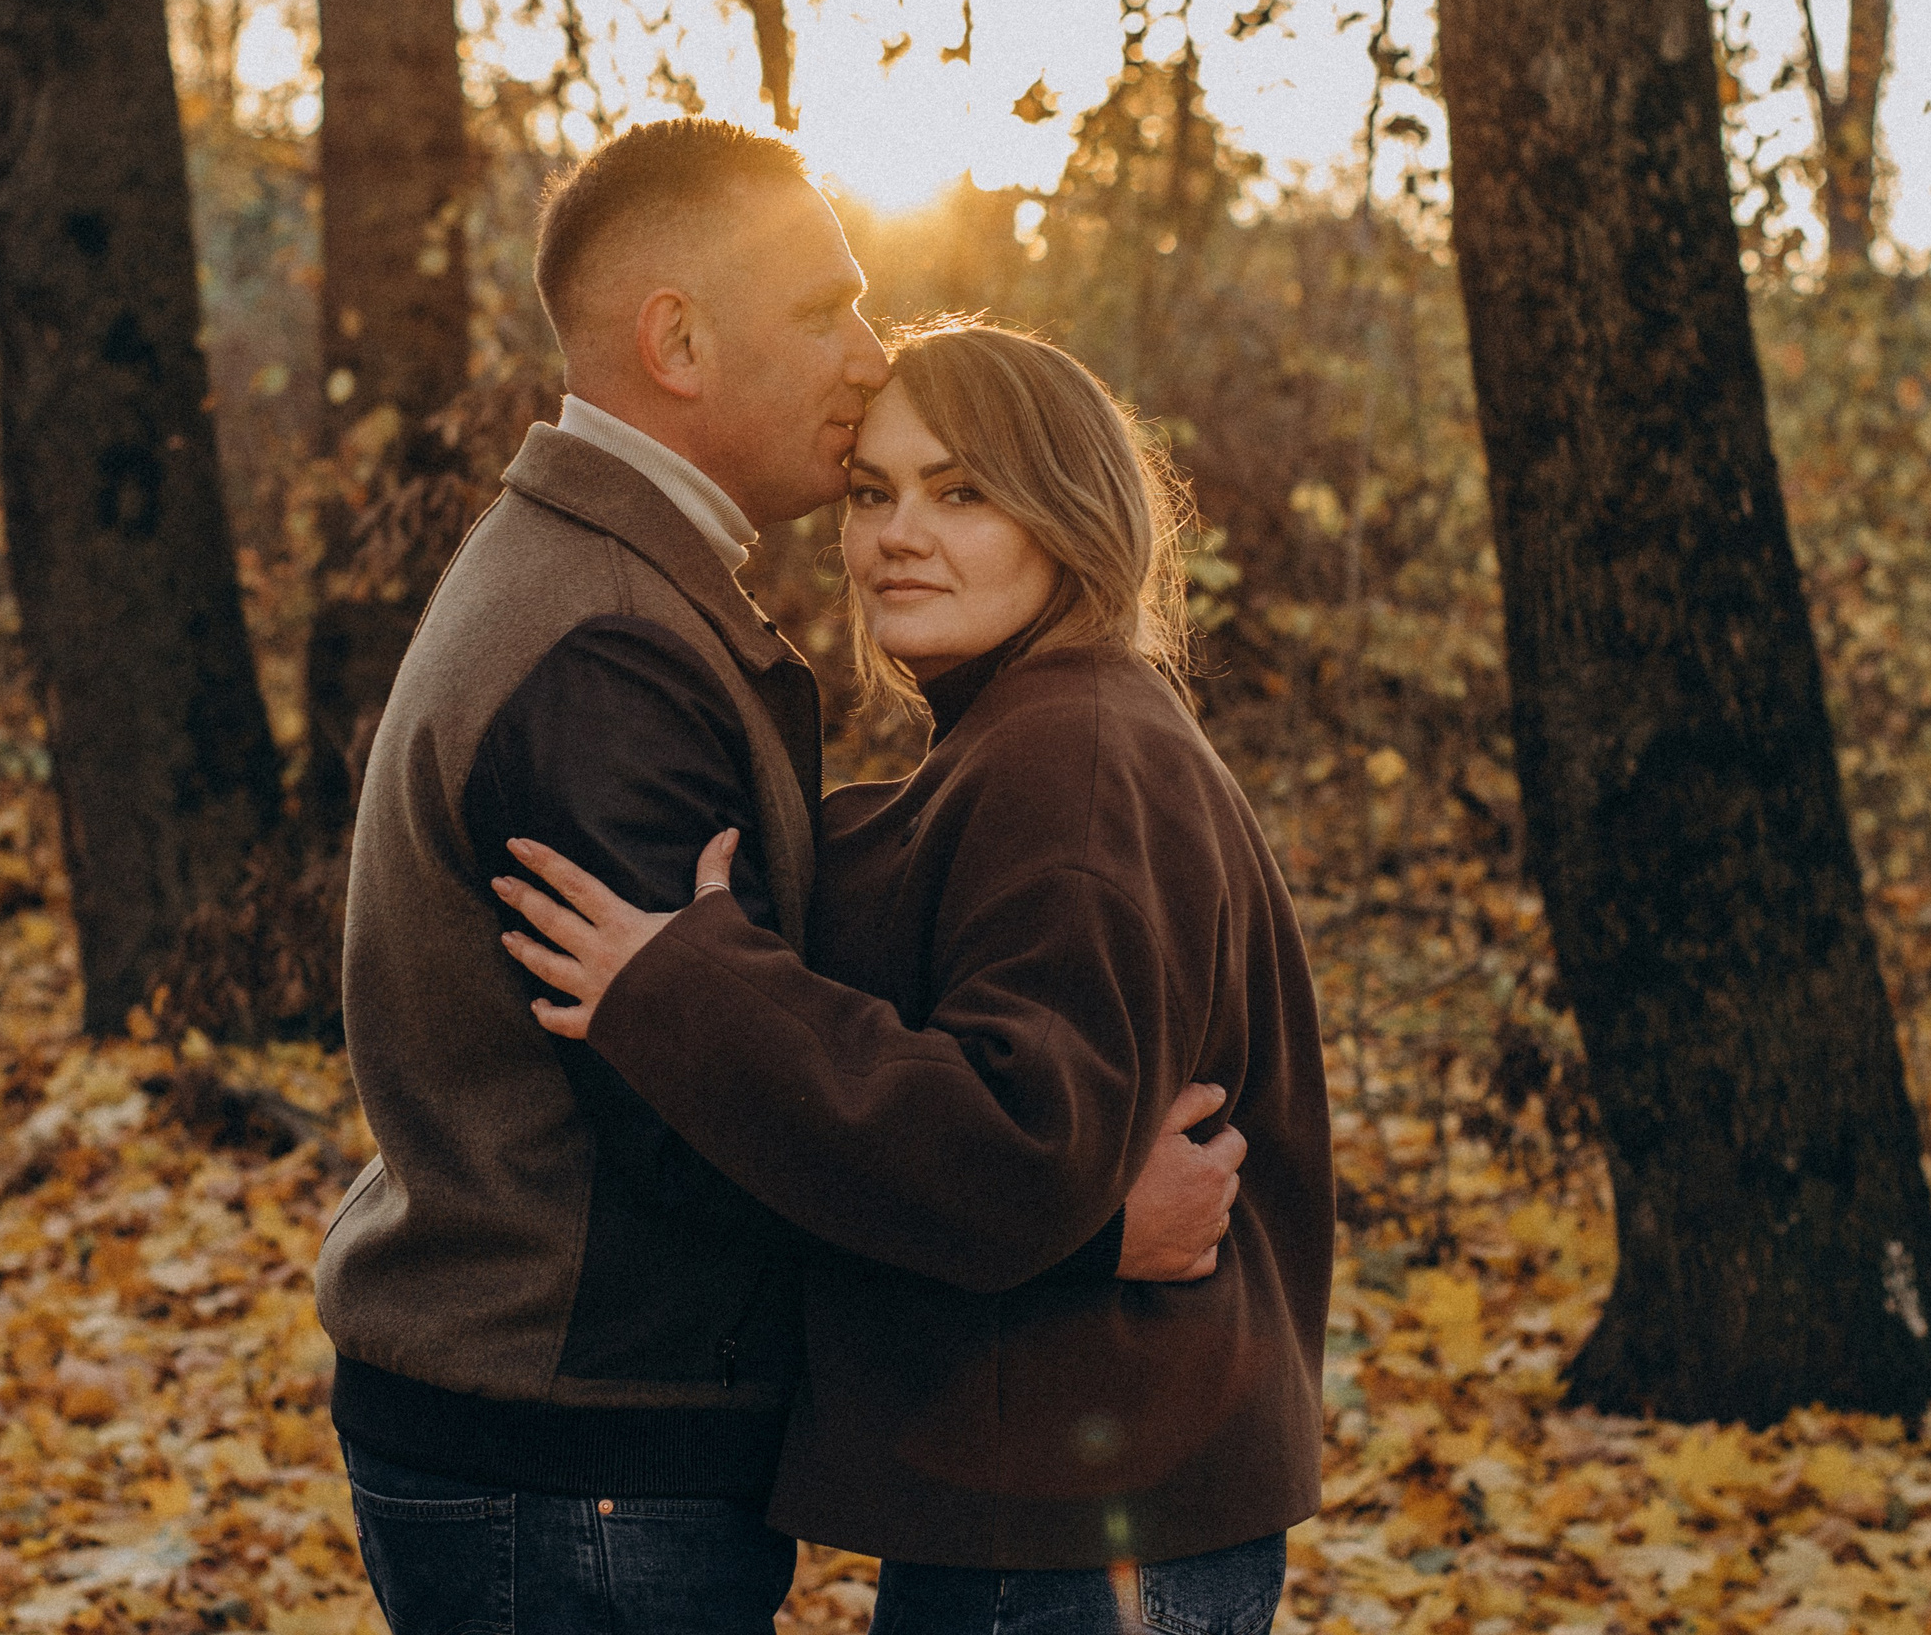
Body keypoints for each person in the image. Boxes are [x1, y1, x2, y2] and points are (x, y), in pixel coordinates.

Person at [313, 124, 1245, 1635]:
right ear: (676, 339)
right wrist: (1078, 1231)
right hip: (578, 1451)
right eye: (826, 311)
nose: (868, 358)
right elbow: (701, 1122)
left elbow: (743, 1029)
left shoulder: (606, 593)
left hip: (571, 1429)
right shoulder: (604, 649)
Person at [494, 320, 1334, 1633]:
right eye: (872, 492)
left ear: (1069, 514)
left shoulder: (1076, 756)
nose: (895, 534)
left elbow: (1013, 1150)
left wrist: (691, 987)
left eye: (962, 491)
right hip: (1066, 1501)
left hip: (1074, 1523)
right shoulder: (1035, 736)